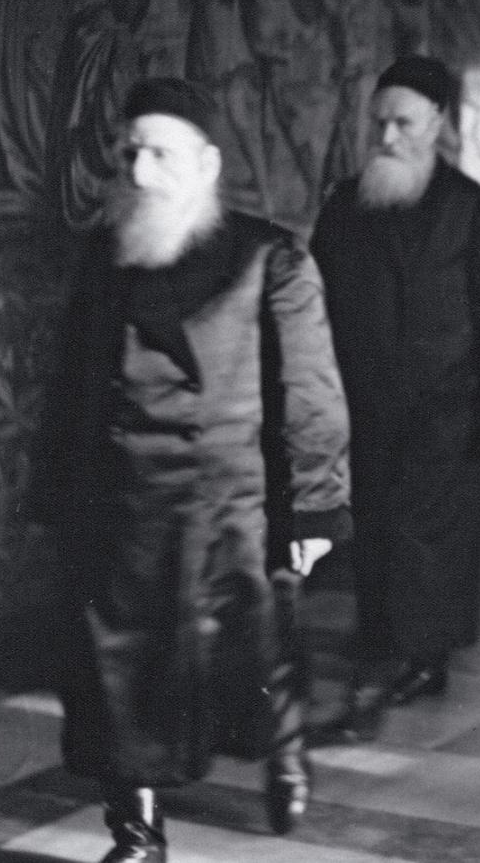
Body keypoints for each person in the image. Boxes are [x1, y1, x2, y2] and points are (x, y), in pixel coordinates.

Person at [28, 77, 352, 861]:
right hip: (120, 504)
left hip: (231, 505)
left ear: (206, 165)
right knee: (116, 669)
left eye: (160, 155)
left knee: (260, 649)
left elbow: (309, 393)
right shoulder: (108, 254)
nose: (140, 173)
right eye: (130, 154)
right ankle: (137, 831)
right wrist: (53, 494)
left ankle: (285, 754)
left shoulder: (269, 257)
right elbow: (71, 386)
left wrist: (314, 509)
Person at [310, 55, 480, 741]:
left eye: (403, 123)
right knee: (375, 528)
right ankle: (391, 642)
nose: (387, 137)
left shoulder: (477, 213)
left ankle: (415, 659)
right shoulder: (346, 206)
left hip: (444, 411)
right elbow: (313, 302)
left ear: (437, 124)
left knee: (425, 537)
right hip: (362, 404)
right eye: (379, 122)